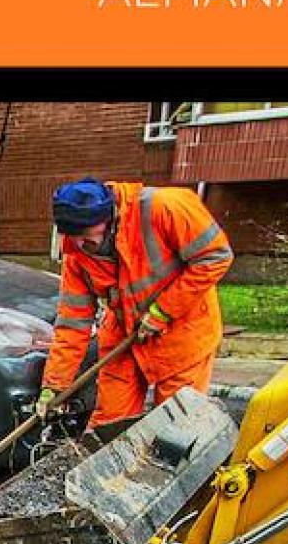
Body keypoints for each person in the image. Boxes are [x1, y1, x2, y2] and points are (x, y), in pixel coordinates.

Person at [36, 177, 233, 431]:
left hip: (183, 335)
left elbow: (216, 256)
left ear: (109, 220)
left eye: (86, 238)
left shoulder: (166, 207)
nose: (80, 246)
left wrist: (163, 311)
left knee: (177, 427)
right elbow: (72, 324)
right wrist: (53, 386)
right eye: (72, 238)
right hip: (125, 335)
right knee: (107, 426)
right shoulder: (77, 256)